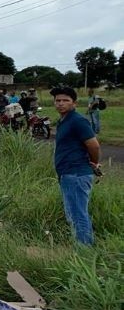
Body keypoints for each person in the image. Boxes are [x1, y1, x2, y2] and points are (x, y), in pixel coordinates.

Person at [51, 87, 101, 246]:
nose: (60, 103)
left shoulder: (77, 121)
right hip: (67, 174)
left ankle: (84, 251)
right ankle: (81, 246)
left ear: (74, 103)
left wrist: (94, 162)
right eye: (58, 100)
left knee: (78, 214)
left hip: (76, 174)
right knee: (72, 214)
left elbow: (94, 145)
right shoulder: (63, 121)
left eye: (65, 100)